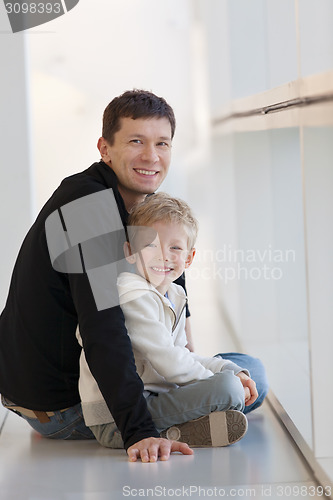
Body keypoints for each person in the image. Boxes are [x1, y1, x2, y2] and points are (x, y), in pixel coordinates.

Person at [0, 89, 268, 463]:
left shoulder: (140, 204)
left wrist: (188, 366)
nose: (151, 157)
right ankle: (158, 423)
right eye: (136, 142)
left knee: (251, 371)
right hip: (60, 405)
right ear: (104, 148)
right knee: (231, 386)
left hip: (106, 376)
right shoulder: (86, 208)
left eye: (162, 143)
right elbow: (102, 326)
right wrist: (138, 432)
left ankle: (193, 407)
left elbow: (175, 285)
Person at [77, 192, 259, 449]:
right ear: (130, 252)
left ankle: (211, 407)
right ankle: (176, 431)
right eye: (150, 245)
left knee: (251, 377)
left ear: (189, 258)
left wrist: (230, 371)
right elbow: (171, 363)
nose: (163, 255)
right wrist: (223, 381)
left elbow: (182, 355)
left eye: (174, 247)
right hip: (117, 420)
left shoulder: (175, 293)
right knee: (229, 388)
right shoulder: (132, 294)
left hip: (158, 396)